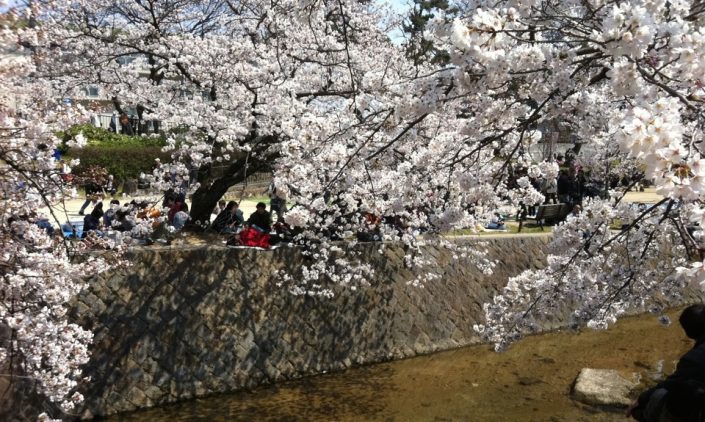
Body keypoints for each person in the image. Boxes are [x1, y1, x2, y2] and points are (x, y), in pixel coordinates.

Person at [628, 304, 705, 422]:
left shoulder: (695, 358)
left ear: (689, 332)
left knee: (660, 396)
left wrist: (642, 399)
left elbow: (672, 384)